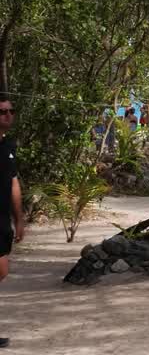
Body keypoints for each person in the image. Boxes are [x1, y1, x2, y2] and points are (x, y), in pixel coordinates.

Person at [1, 99, 24, 349]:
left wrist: (19, 218)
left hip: (2, 218)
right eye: (2, 111)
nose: (8, 115)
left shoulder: (9, 145)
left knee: (2, 271)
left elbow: (13, 182)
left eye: (10, 111)